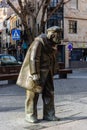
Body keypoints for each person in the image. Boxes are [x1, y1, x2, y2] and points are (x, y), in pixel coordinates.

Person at [17, 26, 62, 123]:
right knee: (33, 94)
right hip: (37, 73)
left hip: (48, 73)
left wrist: (54, 69)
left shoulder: (52, 44)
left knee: (49, 93)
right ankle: (30, 115)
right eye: (59, 36)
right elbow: (34, 58)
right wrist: (34, 73)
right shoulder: (39, 42)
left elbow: (53, 59)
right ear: (52, 35)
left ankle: (49, 114)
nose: (60, 38)